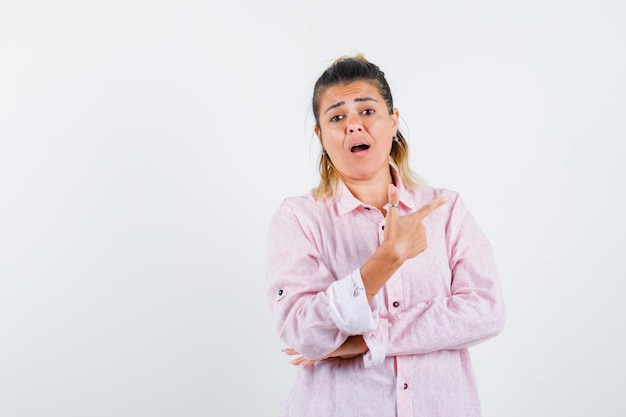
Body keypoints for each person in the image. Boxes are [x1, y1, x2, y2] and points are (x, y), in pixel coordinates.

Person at [266, 53, 505, 417]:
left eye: (367, 111)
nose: (353, 126)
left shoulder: (446, 211)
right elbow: (304, 333)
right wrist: (385, 259)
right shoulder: (298, 218)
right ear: (321, 135)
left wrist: (369, 340)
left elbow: (486, 311)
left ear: (393, 121)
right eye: (336, 116)